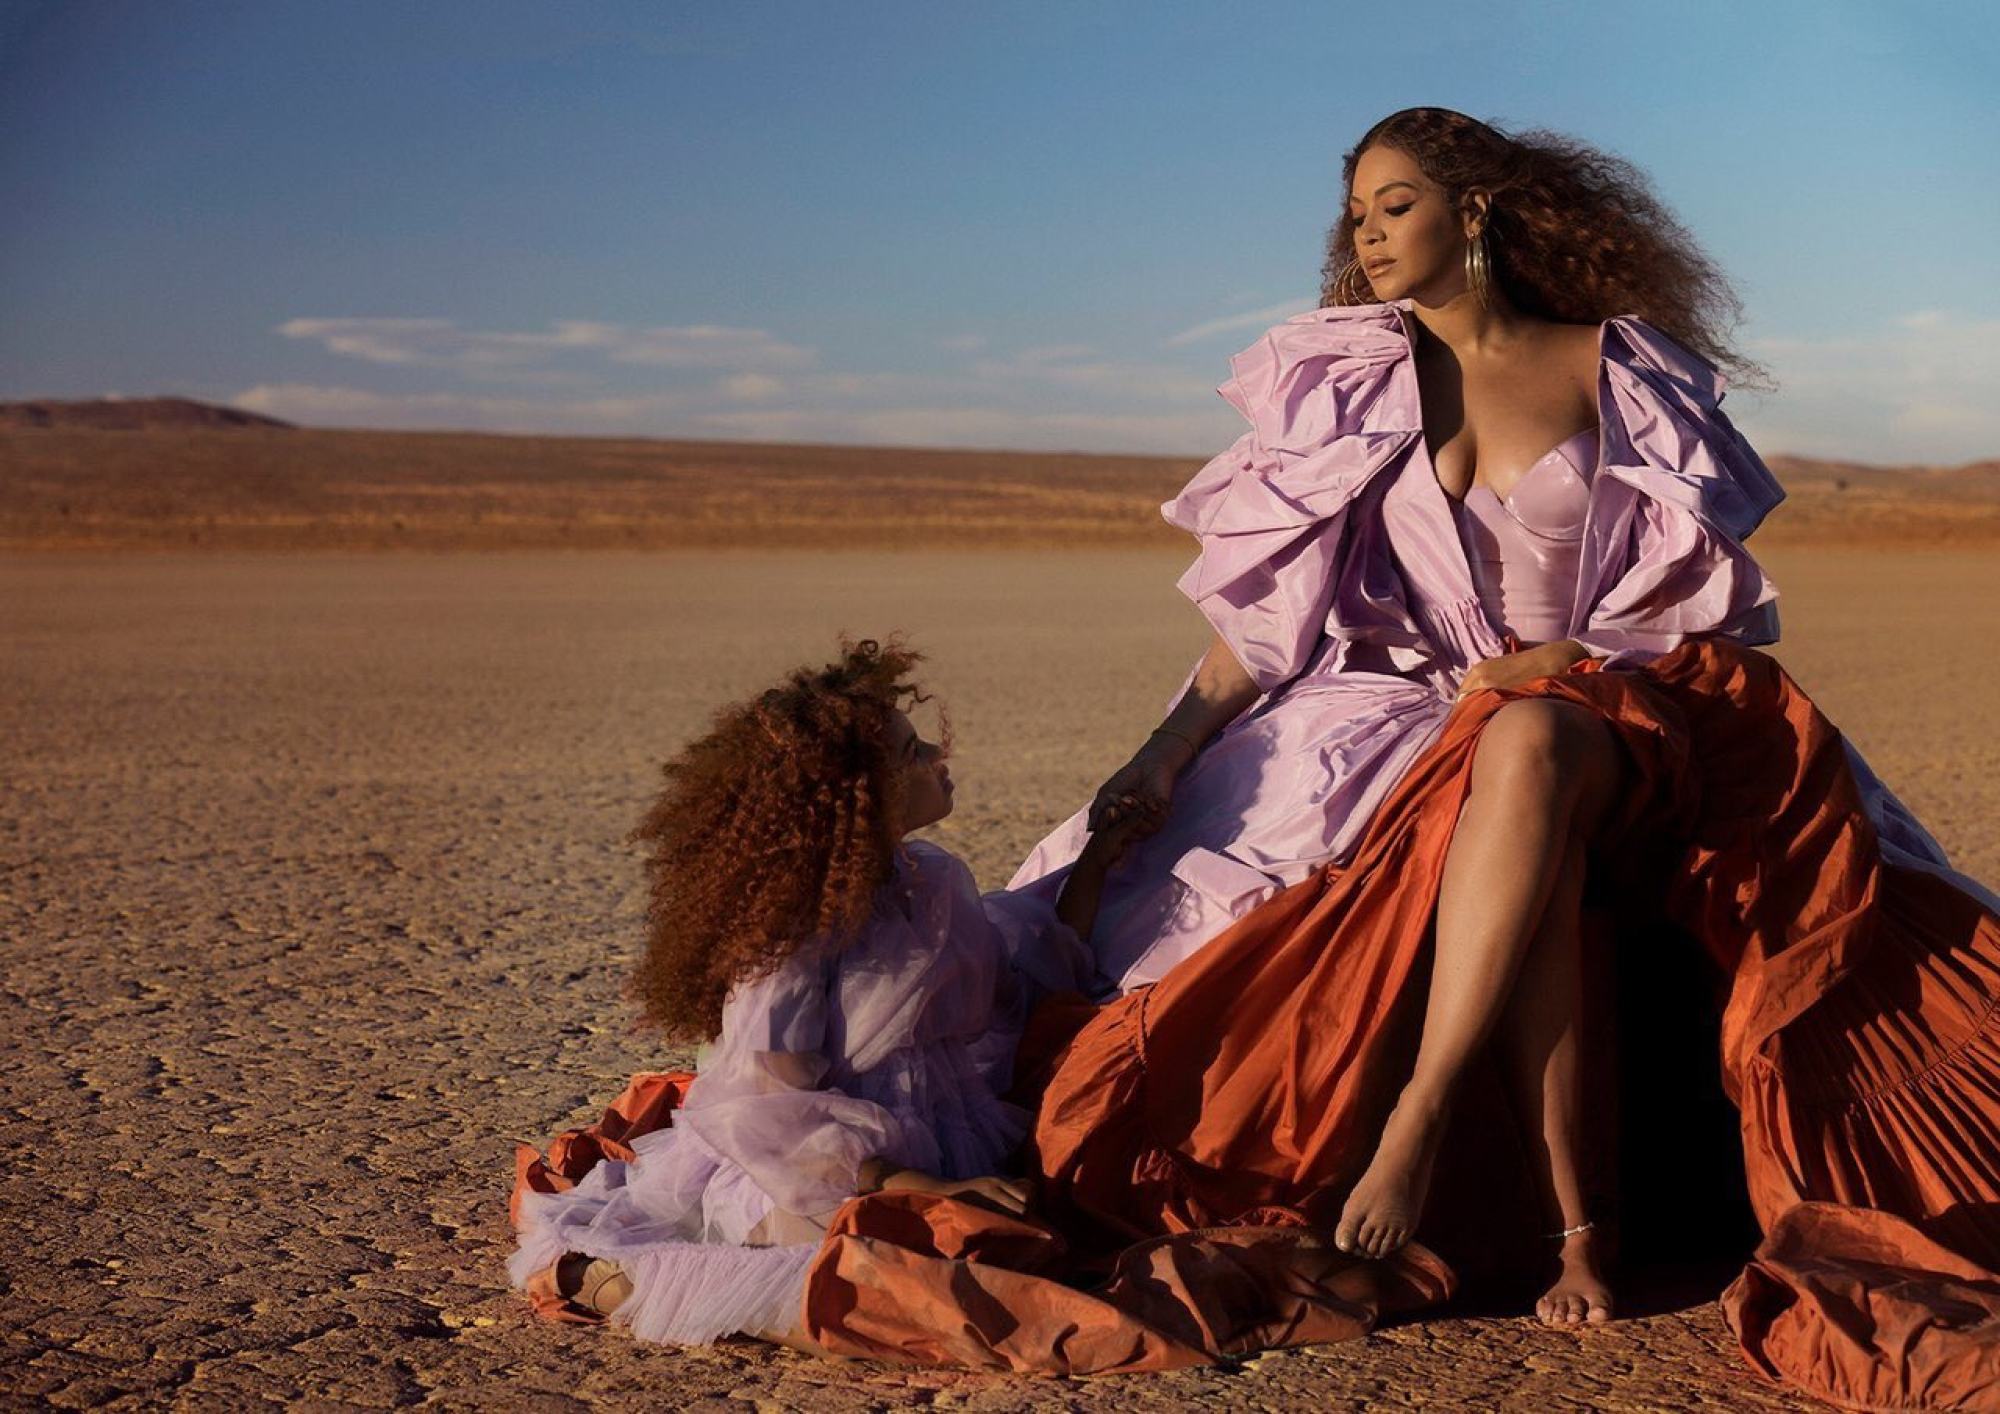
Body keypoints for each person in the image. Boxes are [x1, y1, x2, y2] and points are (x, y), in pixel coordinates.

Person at [507, 637, 1139, 1348]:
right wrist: (913, 1185)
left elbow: (1020, 979)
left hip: (938, 1137)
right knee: (885, 1302)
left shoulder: (930, 880)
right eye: (908, 753)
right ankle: (626, 1284)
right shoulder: (794, 930)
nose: (937, 752)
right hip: (807, 1170)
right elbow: (762, 1105)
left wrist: (1097, 866)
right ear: (856, 798)